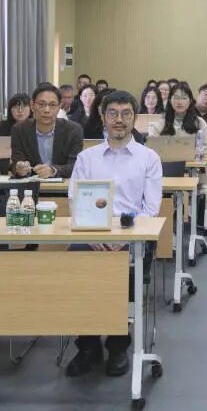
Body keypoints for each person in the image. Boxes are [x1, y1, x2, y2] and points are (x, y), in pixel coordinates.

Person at [65, 90, 162, 379]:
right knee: (76, 267)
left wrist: (124, 237)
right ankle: (88, 345)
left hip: (132, 236)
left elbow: (151, 209)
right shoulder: (87, 157)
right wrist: (91, 235)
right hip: (91, 233)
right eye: (113, 114)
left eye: (126, 114)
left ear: (135, 118)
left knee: (126, 271)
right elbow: (74, 200)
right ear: (103, 117)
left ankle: (119, 345)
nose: (119, 120)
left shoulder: (149, 158)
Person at [10, 84, 82, 179]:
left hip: (62, 186)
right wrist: (20, 169)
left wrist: (53, 170)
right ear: (32, 105)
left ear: (59, 107)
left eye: (52, 105)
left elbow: (75, 165)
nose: (46, 110)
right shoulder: (19, 129)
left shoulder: (73, 130)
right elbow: (16, 162)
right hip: (31, 185)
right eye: (41, 104)